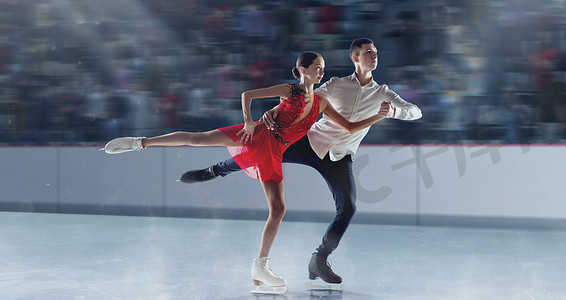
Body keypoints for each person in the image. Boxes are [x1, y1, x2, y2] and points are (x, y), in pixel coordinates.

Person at [102, 51, 392, 294]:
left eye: (323, 69)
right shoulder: (289, 90)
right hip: (256, 135)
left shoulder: (321, 102)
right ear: (301, 70)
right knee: (198, 138)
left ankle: (260, 267)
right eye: (316, 68)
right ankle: (141, 143)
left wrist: (377, 116)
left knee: (278, 209)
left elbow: (351, 127)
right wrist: (249, 122)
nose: (320, 73)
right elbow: (248, 94)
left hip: (274, 151)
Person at [179, 38, 422, 288]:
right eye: (368, 52)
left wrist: (394, 112)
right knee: (262, 150)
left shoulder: (384, 93)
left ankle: (320, 259)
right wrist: (276, 109)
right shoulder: (337, 85)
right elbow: (304, 98)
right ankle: (216, 170)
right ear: (355, 58)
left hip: (340, 157)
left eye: (376, 52)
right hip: (310, 143)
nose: (374, 55)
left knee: (348, 208)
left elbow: (416, 111)